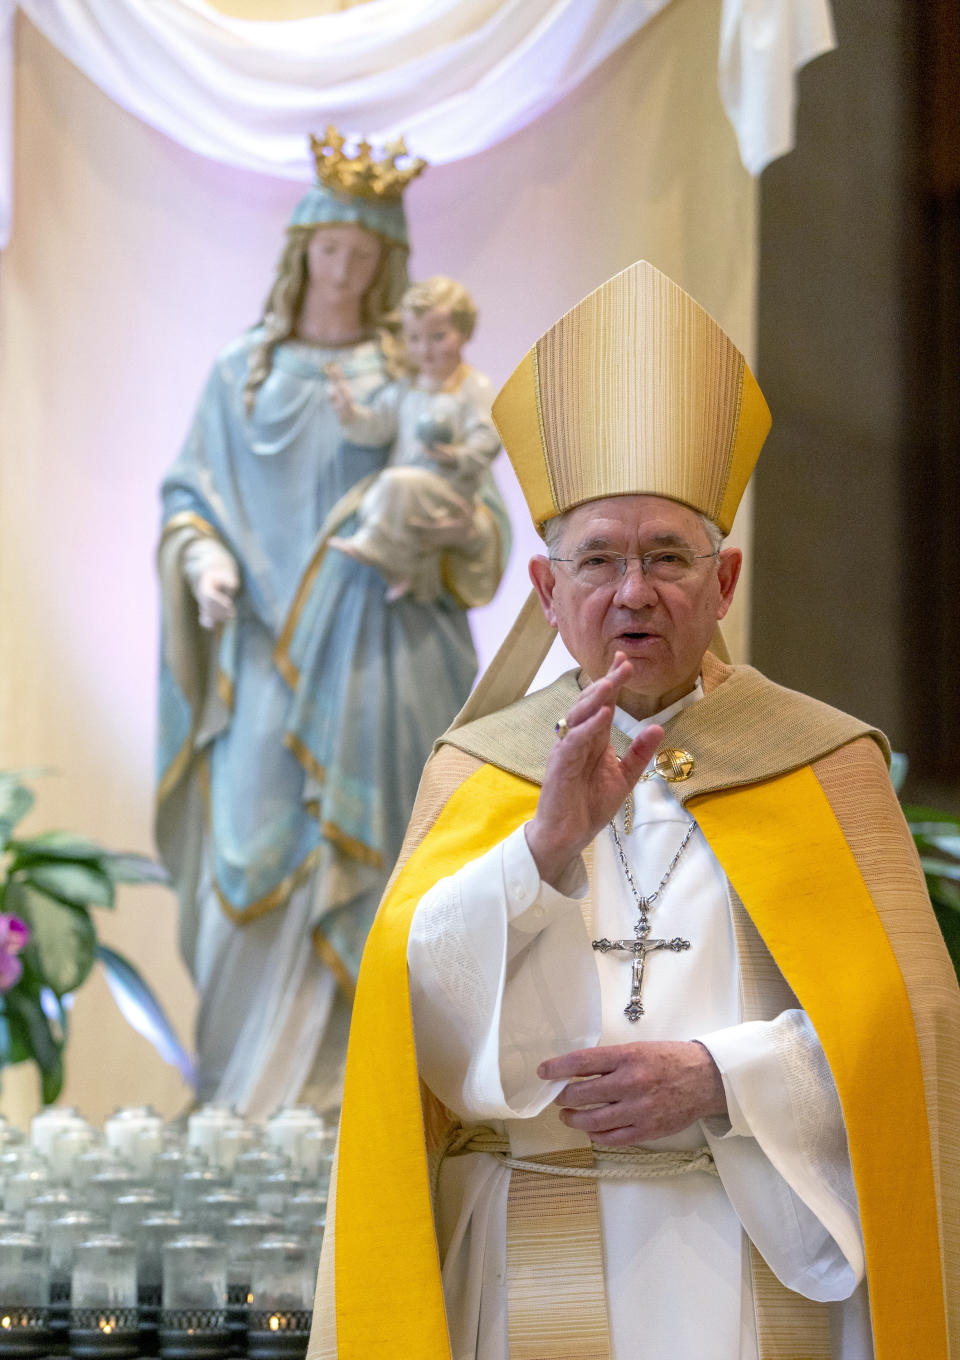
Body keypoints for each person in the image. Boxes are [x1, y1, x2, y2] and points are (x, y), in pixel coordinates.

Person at [310, 261, 960, 1358]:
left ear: (727, 579)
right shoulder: (483, 769)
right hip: (524, 1265)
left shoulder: (823, 761)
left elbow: (912, 1033)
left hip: (757, 1262)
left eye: (668, 555)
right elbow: (402, 1024)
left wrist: (723, 1076)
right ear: (545, 588)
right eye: (599, 558)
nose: (632, 590)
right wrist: (543, 848)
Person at [155, 129, 509, 1117]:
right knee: (250, 865)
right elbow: (188, 498)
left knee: (394, 865)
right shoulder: (242, 377)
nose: (344, 268)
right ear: (301, 249)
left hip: (383, 660)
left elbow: (477, 519)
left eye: (364, 251)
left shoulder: (416, 380)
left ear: (386, 262)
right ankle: (243, 1105)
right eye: (329, 247)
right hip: (264, 658)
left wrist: (447, 530)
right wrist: (206, 560)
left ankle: (376, 1107)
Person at [327, 276, 501, 603]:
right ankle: (402, 568)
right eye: (414, 338)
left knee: (393, 483)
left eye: (438, 337)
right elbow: (377, 426)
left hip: (449, 491)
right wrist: (349, 412)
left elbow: (489, 435)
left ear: (464, 333)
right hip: (409, 490)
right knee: (382, 491)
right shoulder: (405, 388)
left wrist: (458, 456)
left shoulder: (472, 387)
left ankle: (375, 546)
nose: (425, 349)